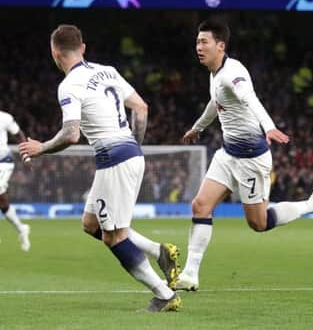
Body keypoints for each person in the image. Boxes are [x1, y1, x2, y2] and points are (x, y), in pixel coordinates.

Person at [18, 24, 181, 312]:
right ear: (82, 48)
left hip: (114, 161)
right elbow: (141, 108)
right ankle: (160, 252)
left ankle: (165, 295)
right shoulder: (108, 70)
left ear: (55, 54)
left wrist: (41, 147)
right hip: (128, 153)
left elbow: (71, 134)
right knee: (90, 224)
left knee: (113, 237)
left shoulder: (68, 85)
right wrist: (134, 145)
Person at [175, 19, 313, 291]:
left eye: (204, 42)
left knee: (258, 223)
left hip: (252, 158)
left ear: (221, 46)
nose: (198, 47)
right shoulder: (215, 74)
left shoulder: (233, 72)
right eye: (197, 42)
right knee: (200, 206)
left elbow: (250, 99)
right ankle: (190, 275)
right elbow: (214, 103)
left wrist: (270, 127)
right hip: (228, 153)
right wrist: (197, 128)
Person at [0, 111, 31, 251]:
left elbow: (18, 134)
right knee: (3, 202)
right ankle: (22, 228)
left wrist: (26, 155)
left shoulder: (4, 117)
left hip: (3, 162)